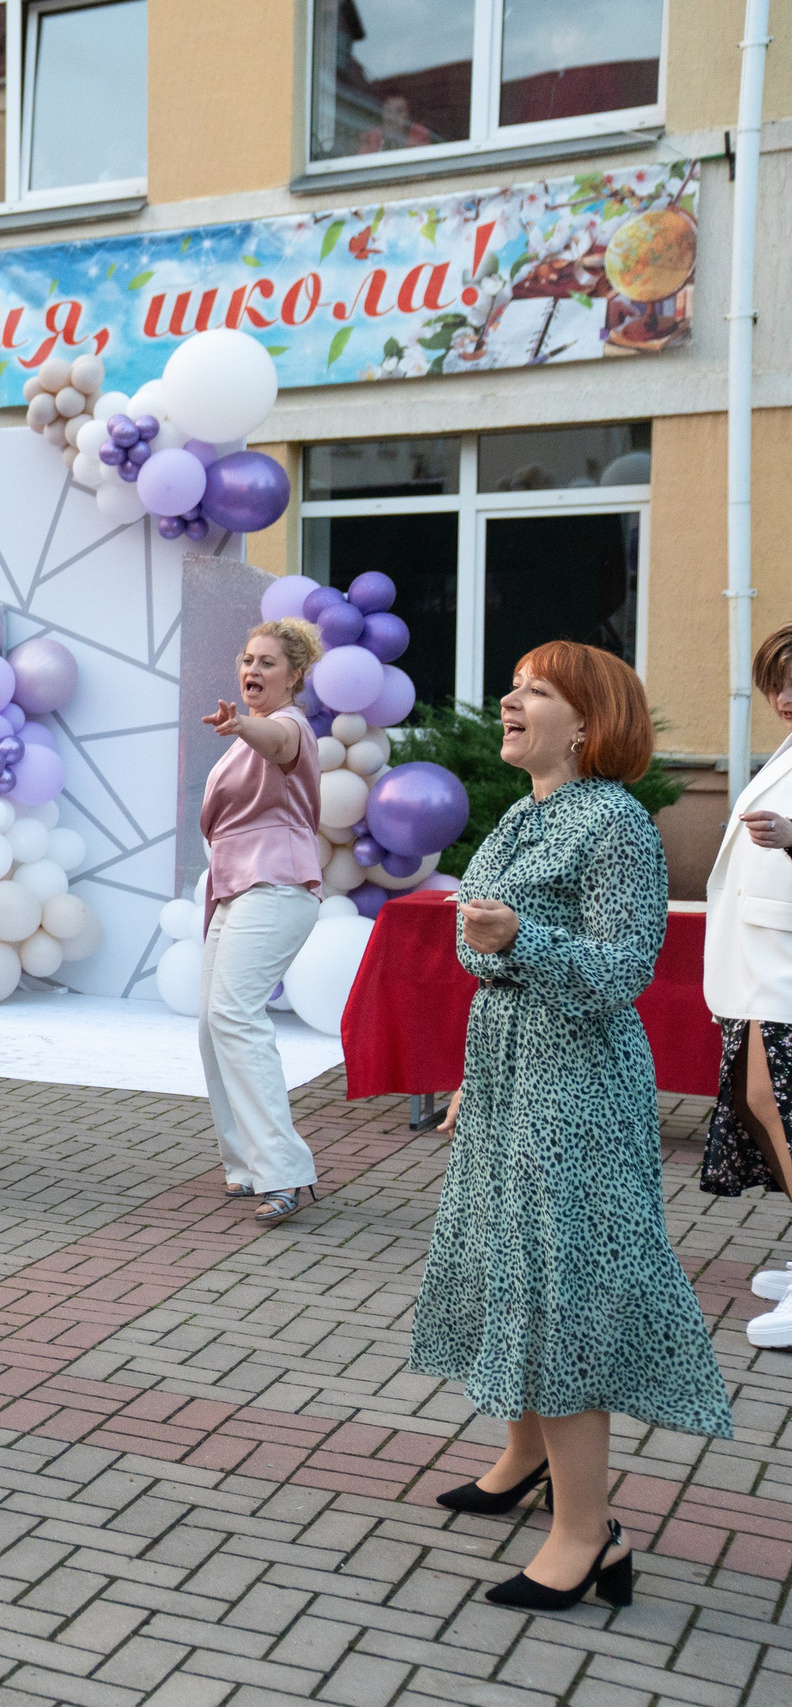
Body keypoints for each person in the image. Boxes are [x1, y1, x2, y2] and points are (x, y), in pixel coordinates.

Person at [411, 641, 732, 1613]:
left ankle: (589, 1535)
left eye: (536, 691)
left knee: (562, 1292)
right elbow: (476, 943)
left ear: (588, 723)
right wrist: (495, 976)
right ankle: (524, 1459)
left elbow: (625, 968)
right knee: (508, 1263)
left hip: (576, 1088)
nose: (510, 702)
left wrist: (522, 939)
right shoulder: (525, 812)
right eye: (513, 687)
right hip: (511, 1075)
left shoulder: (615, 823)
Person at [195, 619, 326, 1225]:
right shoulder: (243, 737)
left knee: (234, 1015)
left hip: (276, 883)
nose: (252, 669)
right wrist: (241, 730)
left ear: (295, 676)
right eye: (248, 659)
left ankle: (284, 1170)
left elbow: (277, 741)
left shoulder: (290, 725)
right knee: (212, 1025)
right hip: (235, 887)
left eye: (267, 663)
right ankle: (247, 1162)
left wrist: (242, 725)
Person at [702, 622, 792, 1343]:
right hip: (763, 961)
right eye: (776, 682)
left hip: (783, 966)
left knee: (773, 1105)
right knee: (758, 1102)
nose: (784, 696)